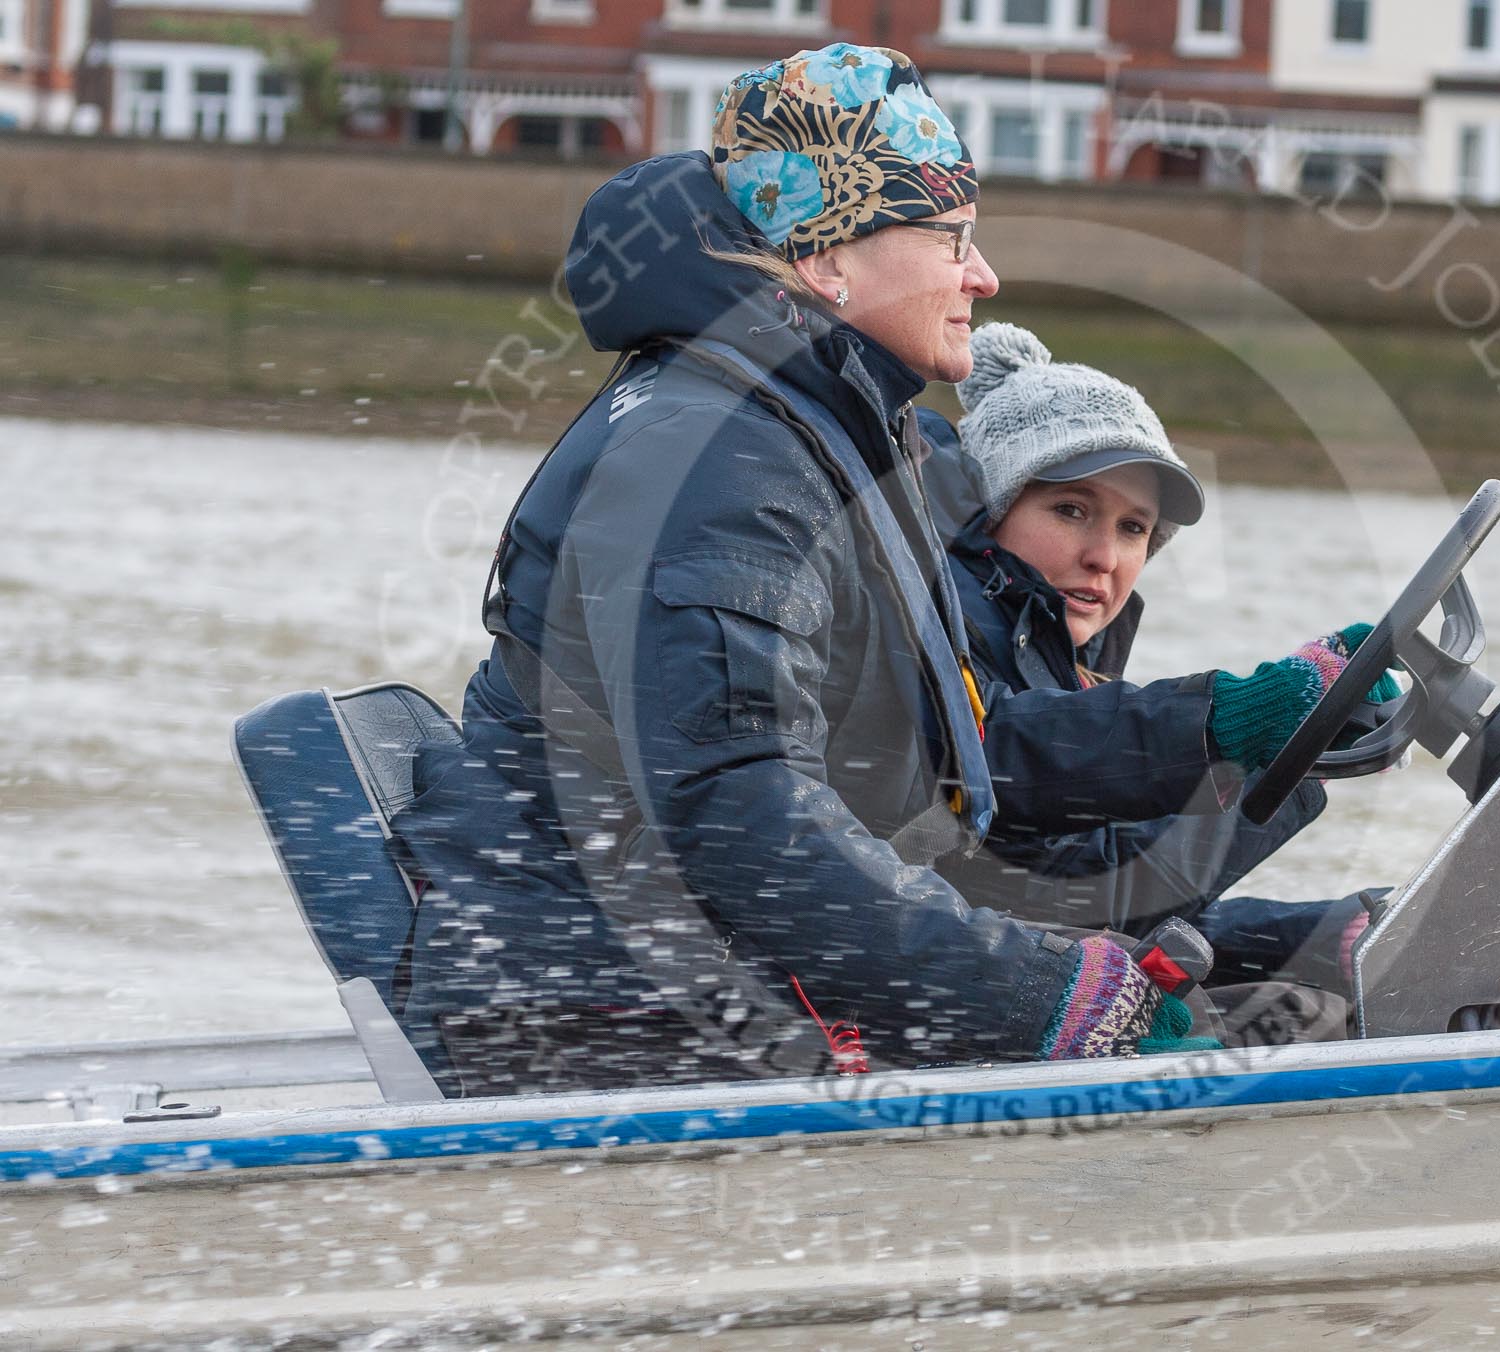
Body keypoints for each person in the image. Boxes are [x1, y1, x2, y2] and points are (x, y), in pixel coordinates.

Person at [392, 45, 1392, 1095]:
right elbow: (747, 818)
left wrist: (1227, 720)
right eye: (951, 239)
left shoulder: (812, 428)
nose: (983, 277)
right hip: (587, 1026)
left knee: (1267, 1010)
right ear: (833, 261)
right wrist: (1041, 998)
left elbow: (954, 748)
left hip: (695, 989)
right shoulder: (723, 456)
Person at [923, 323, 1393, 1028]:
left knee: (1352, 960)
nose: (1103, 556)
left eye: (1133, 529)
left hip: (1024, 959)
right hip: (956, 1000)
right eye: (1071, 510)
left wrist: (1322, 930)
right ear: (989, 513)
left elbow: (1105, 882)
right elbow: (1071, 893)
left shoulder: (1065, 661)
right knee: (1305, 1018)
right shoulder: (942, 633)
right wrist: (1256, 743)